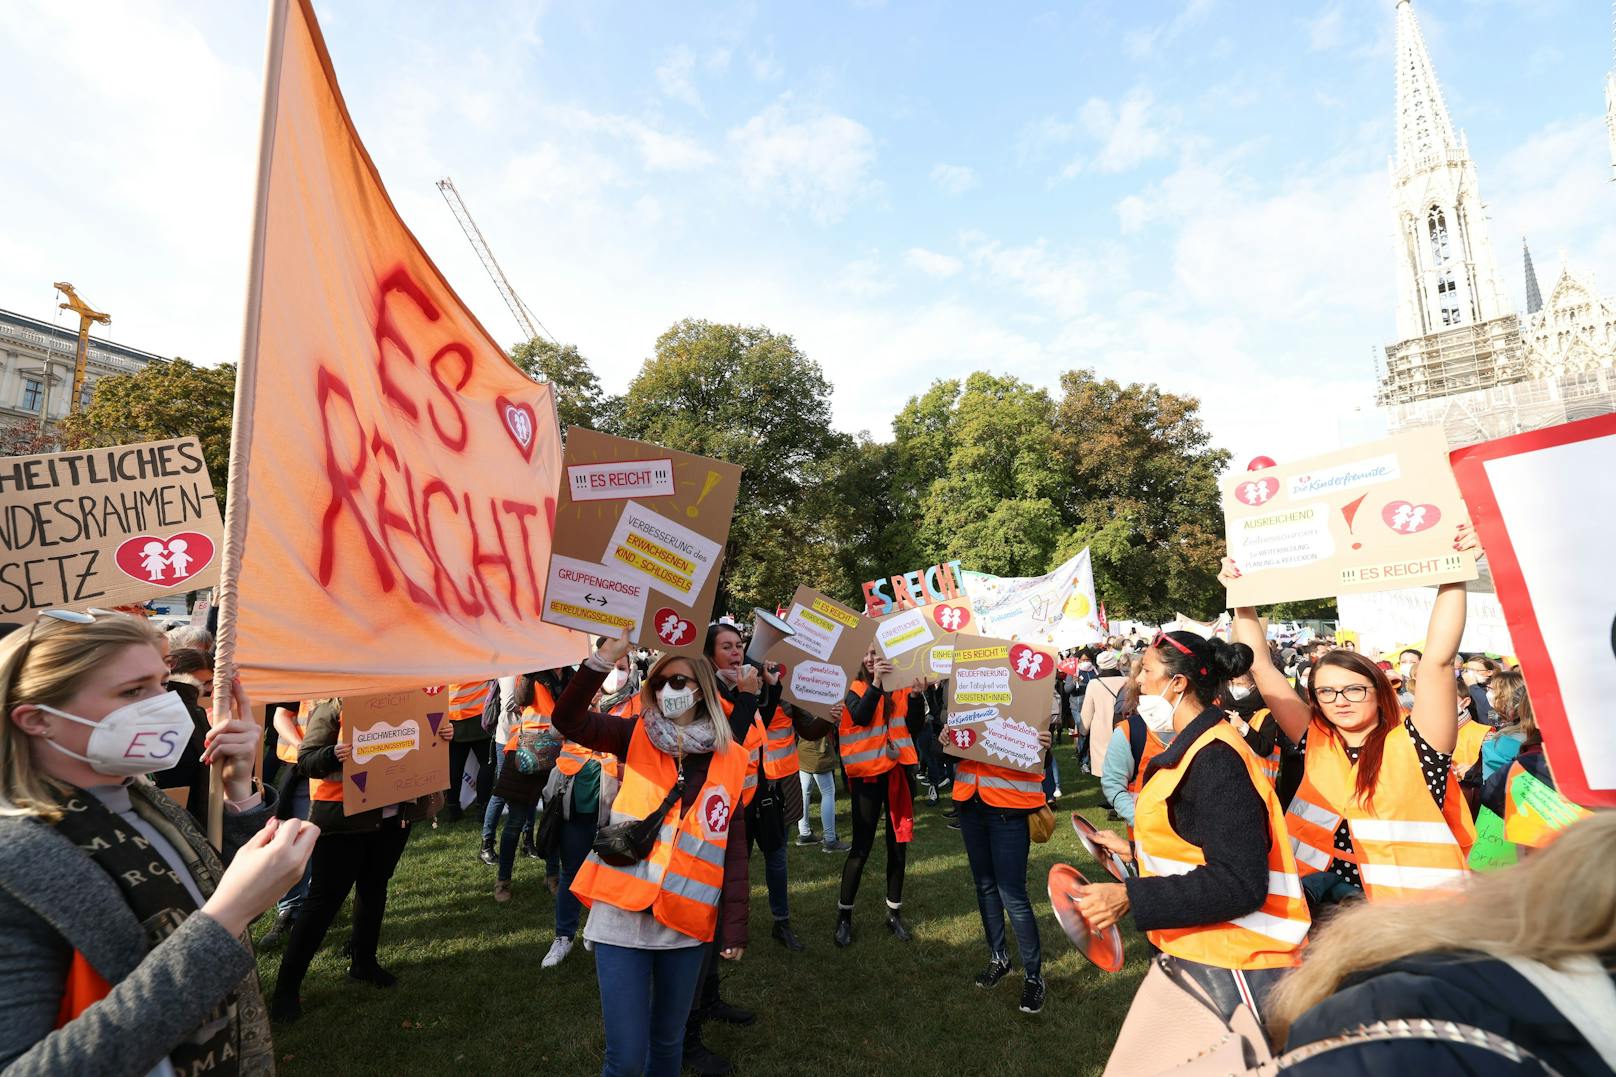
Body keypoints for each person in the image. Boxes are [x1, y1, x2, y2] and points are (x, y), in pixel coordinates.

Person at [0, 610, 316, 1073]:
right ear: (36, 719)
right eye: (132, 692)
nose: (163, 705)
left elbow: (197, 895)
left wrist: (240, 791)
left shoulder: (139, 797)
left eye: (161, 684)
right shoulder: (13, 863)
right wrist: (227, 917)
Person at [1225, 531, 1477, 909]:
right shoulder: (1317, 738)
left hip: (1409, 914)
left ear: (1379, 691)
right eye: (1326, 692)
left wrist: (1455, 570)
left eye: (1353, 690)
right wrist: (1240, 598)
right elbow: (1260, 665)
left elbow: (1438, 660)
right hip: (1316, 904)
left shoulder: (1417, 743)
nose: (1339, 701)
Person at [1080, 631, 1310, 1039]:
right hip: (1201, 950)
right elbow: (1196, 842)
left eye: (1147, 671)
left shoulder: (1215, 757)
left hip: (1238, 963)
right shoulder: (1197, 745)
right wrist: (1133, 852)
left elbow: (1240, 882)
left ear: (1178, 683)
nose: (1138, 682)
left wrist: (1130, 896)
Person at [1265, 813, 1616, 1074]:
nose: (1342, 707)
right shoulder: (1426, 1039)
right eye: (1326, 705)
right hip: (1373, 932)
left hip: (1399, 928)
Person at [560, 634, 753, 1077]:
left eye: (679, 680)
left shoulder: (732, 757)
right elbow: (568, 719)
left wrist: (736, 926)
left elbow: (734, 846)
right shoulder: (634, 735)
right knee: (626, 1060)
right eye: (661, 682)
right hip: (621, 918)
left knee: (667, 1049)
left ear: (701, 687)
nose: (668, 691)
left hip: (685, 924)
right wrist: (601, 660)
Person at [271, 697, 427, 1022]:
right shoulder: (335, 703)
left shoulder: (407, 700)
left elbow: (420, 748)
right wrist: (333, 754)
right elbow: (306, 760)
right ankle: (286, 989)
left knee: (374, 888)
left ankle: (364, 962)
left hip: (391, 818)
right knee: (323, 903)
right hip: (343, 819)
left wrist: (438, 734)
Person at [953, 719, 1053, 1015]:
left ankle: (1034, 976)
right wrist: (947, 737)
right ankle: (999, 958)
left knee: (1013, 895)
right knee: (985, 886)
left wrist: (1044, 746)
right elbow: (953, 750)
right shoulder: (971, 687)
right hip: (971, 802)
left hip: (1009, 806)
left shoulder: (1027, 690)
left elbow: (1042, 757)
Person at [834, 643, 927, 947]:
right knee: (860, 848)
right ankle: (844, 916)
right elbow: (860, 716)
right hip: (868, 778)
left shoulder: (899, 687)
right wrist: (876, 683)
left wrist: (914, 696)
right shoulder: (852, 686)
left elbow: (912, 727)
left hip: (897, 774)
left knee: (898, 847)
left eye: (878, 653)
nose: (873, 658)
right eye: (868, 652)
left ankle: (893, 914)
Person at [487, 672, 566, 902]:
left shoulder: (569, 674)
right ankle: (503, 881)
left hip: (558, 754)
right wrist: (530, 673)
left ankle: (552, 875)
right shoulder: (531, 672)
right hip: (525, 752)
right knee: (515, 823)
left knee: (554, 818)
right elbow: (520, 700)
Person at [261, 701, 314, 948]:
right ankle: (290, 910)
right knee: (297, 837)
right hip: (304, 770)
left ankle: (316, 902)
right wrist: (304, 748)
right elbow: (281, 716)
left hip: (348, 771)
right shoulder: (306, 669)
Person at [443, 679, 495, 822]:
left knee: (455, 766)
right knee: (487, 763)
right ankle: (482, 808)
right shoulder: (478, 658)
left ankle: (453, 808)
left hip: (453, 716)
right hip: (479, 715)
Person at [795, 720, 844, 851]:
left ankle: (804, 833)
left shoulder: (801, 701)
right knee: (828, 792)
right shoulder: (819, 702)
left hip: (804, 748)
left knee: (804, 792)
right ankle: (830, 839)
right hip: (818, 748)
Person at [1080, 649, 1128, 777]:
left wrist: (1083, 731)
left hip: (1101, 731)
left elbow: (1087, 712)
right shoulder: (1127, 681)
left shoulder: (1094, 683)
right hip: (1125, 727)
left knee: (1105, 769)